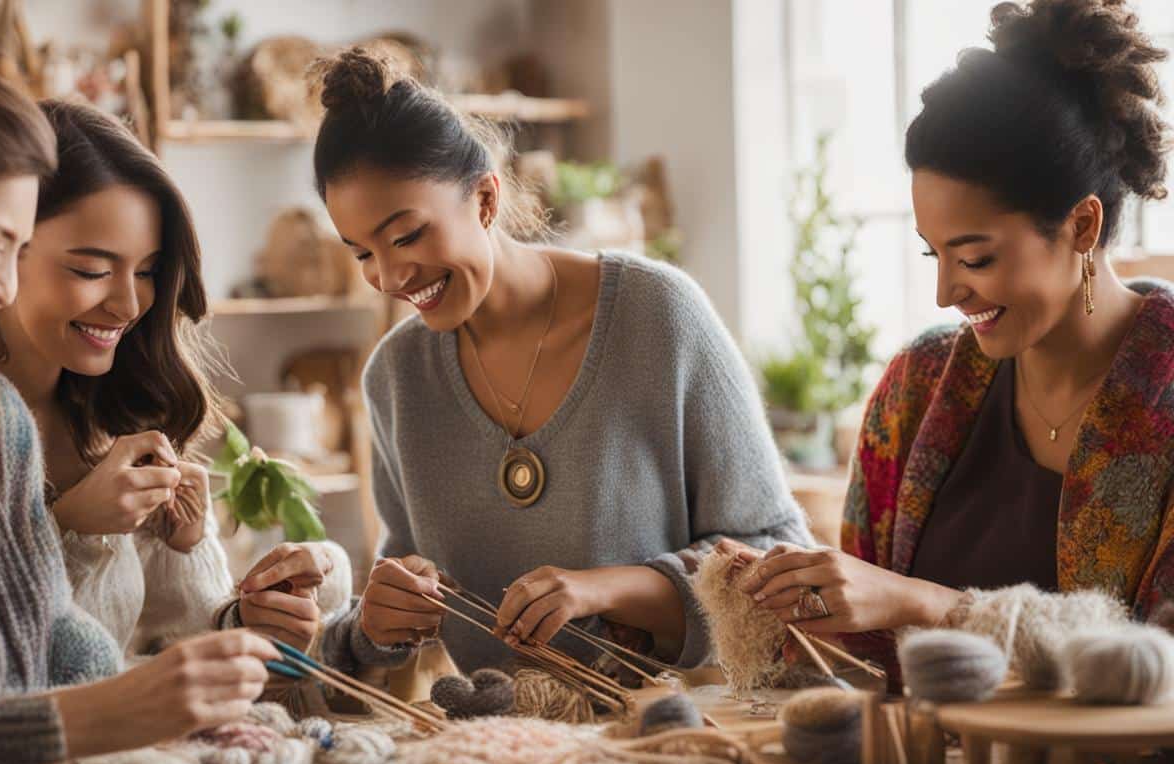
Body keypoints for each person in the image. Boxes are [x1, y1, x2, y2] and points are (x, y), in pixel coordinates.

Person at [0, 45, 278, 764]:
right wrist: (79, 722)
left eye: (16, 253)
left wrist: (203, 720)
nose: (4, 289)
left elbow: (61, 643)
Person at [310, 49, 813, 676]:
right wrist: (379, 623)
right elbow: (407, 591)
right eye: (361, 253)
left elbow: (782, 557)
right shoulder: (396, 379)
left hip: (676, 735)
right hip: (503, 742)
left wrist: (611, 589)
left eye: (407, 236)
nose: (388, 277)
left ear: (486, 199)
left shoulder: (657, 316)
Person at [740, 0, 1174, 675]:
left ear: (1082, 227)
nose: (946, 293)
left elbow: (1158, 663)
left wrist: (924, 604)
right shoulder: (914, 390)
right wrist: (782, 595)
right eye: (931, 255)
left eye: (975, 259)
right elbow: (857, 662)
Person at [0, 100, 351, 657]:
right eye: (92, 271)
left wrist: (212, 576)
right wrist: (70, 526)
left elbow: (174, 649)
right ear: (0, 247)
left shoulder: (117, 415)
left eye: (149, 271)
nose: (130, 304)